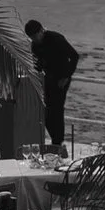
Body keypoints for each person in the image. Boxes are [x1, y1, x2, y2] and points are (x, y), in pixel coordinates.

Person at [24, 18, 79, 150]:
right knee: (45, 110)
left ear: (41, 31)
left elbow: (74, 56)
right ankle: (55, 137)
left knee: (57, 109)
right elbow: (37, 64)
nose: (35, 39)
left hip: (61, 78)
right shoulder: (35, 45)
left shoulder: (56, 39)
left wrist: (66, 76)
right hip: (47, 77)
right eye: (32, 37)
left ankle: (57, 142)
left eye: (36, 35)